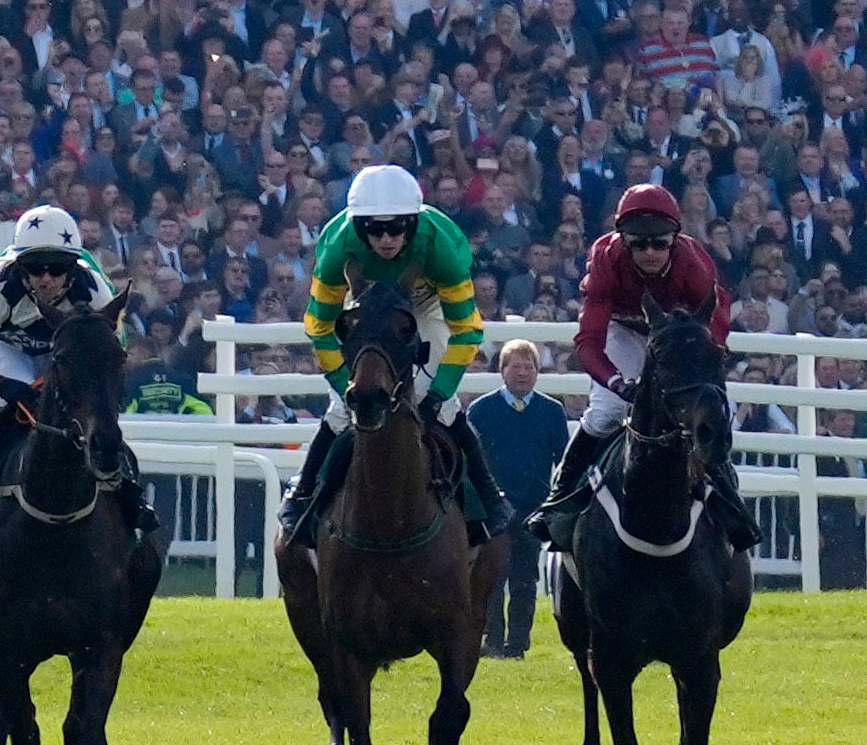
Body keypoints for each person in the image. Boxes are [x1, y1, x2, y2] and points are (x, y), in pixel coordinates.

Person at [285, 163, 489, 548]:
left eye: (396, 227)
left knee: (445, 408)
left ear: (412, 222)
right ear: (359, 227)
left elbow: (467, 330)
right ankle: (303, 496)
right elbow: (319, 327)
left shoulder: (441, 246)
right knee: (341, 411)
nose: (386, 238)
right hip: (361, 299)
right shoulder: (337, 248)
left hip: (424, 303)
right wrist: (344, 384)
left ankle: (488, 498)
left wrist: (438, 394)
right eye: (374, 229)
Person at [537, 177, 738, 554]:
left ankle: (731, 506)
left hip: (683, 332)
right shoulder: (605, 260)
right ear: (622, 241)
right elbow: (588, 340)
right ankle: (560, 499)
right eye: (638, 243)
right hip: (625, 330)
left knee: (716, 412)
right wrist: (616, 382)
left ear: (675, 240)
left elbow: (715, 323)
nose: (649, 252)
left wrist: (704, 362)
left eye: (660, 243)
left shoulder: (694, 264)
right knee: (606, 412)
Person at [0, 202, 116, 537]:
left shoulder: (94, 292)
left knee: (96, 411)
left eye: (57, 268)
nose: (46, 278)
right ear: (19, 266)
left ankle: (126, 492)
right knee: (2, 410)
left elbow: (106, 359)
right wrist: (1, 385)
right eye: (34, 268)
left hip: (64, 354)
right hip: (8, 351)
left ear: (73, 268)